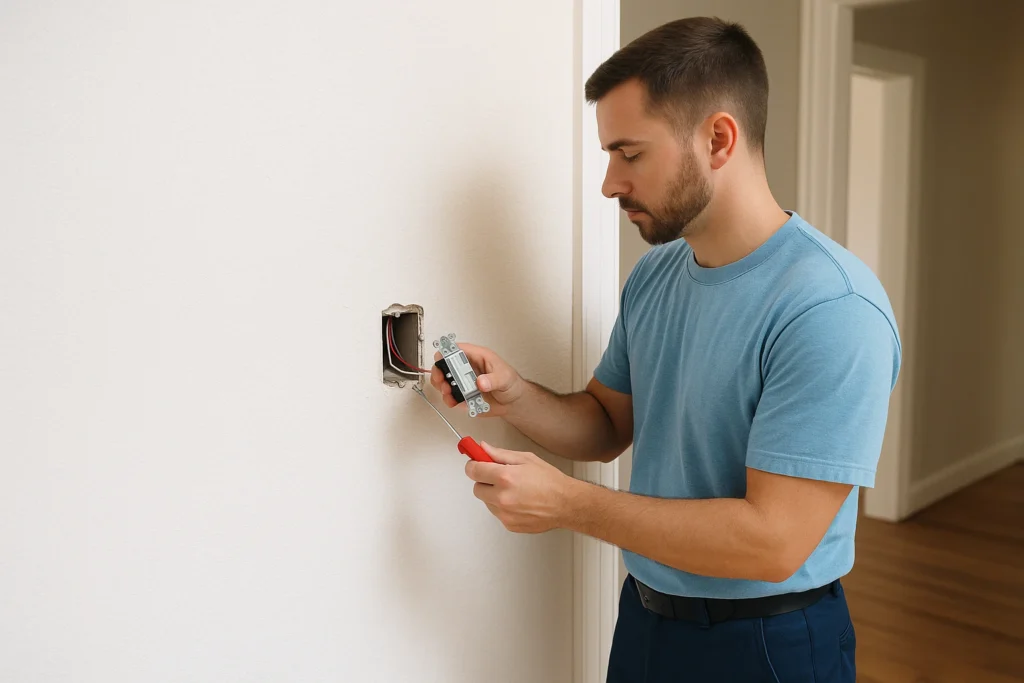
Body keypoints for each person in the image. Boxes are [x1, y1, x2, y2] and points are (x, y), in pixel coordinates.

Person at [431, 16, 900, 683]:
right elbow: (605, 423)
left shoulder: (832, 308)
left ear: (717, 139)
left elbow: (773, 541)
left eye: (630, 153)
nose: (609, 183)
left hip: (767, 645)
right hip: (647, 623)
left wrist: (568, 503)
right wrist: (514, 393)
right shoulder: (656, 275)